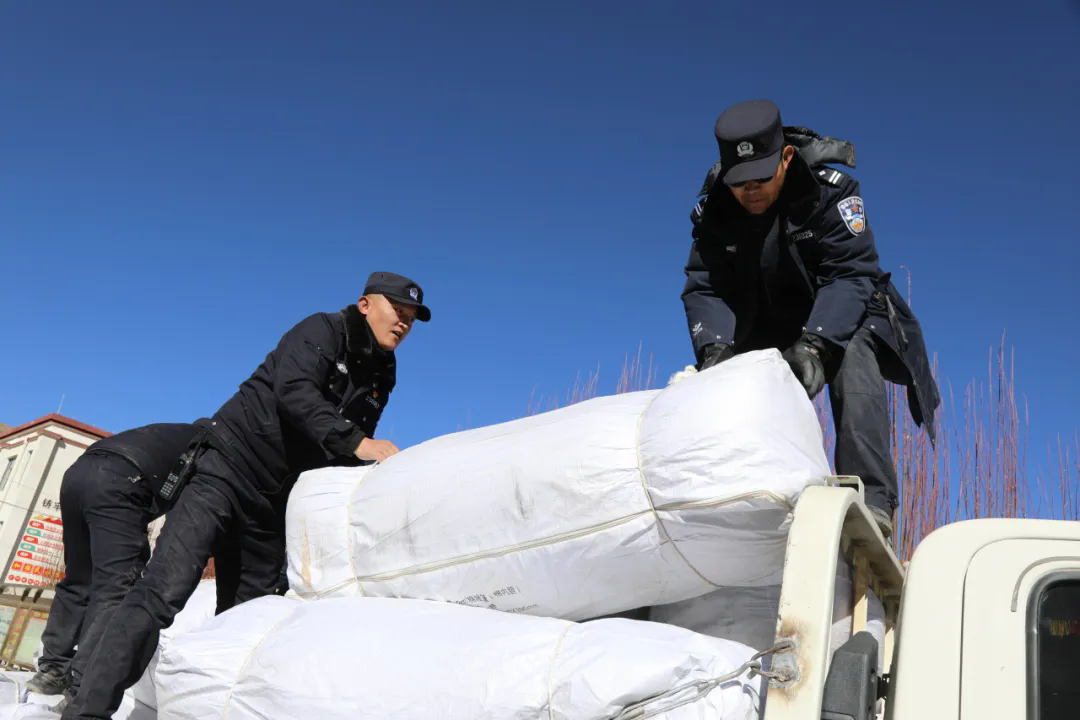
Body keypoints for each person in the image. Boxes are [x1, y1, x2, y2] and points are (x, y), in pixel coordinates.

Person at [62, 271, 430, 719]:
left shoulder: (382, 373)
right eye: (398, 310)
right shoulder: (322, 329)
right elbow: (295, 392)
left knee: (245, 625)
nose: (404, 322)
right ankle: (87, 712)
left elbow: (346, 449)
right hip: (225, 470)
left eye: (412, 317)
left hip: (272, 504)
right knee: (162, 593)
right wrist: (357, 444)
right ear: (366, 304)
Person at [680, 99, 940, 538]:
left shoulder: (831, 193)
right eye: (740, 182)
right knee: (723, 381)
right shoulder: (716, 213)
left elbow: (851, 273)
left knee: (852, 352)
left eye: (762, 178)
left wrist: (816, 346)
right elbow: (704, 286)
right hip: (765, 322)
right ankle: (744, 498)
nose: (751, 191)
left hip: (841, 312)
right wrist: (715, 349)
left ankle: (870, 500)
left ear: (785, 158)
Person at [24, 423, 199, 705]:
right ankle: (82, 687)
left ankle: (52, 671)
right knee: (117, 588)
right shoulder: (214, 448)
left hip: (79, 474)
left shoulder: (179, 434)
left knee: (78, 580)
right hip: (123, 479)